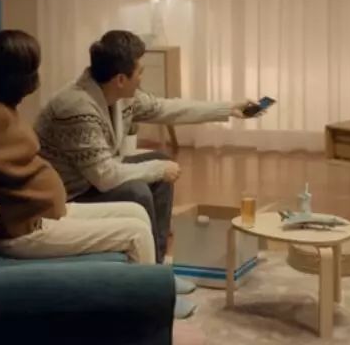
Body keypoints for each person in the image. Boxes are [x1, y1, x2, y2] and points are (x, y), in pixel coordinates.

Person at [35, 30, 261, 315]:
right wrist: (156, 169)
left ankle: (157, 269)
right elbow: (105, 177)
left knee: (158, 167)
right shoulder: (76, 107)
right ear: (121, 79)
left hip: (92, 180)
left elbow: (166, 108)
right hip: (69, 196)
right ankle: (150, 286)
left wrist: (228, 109)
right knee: (140, 186)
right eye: (140, 71)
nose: (142, 77)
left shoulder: (118, 95)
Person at [0, 30, 155, 265]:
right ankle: (154, 287)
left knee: (136, 212)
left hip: (45, 213)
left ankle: (148, 279)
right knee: (136, 233)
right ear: (15, 77)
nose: (36, 76)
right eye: (32, 69)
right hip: (27, 230)